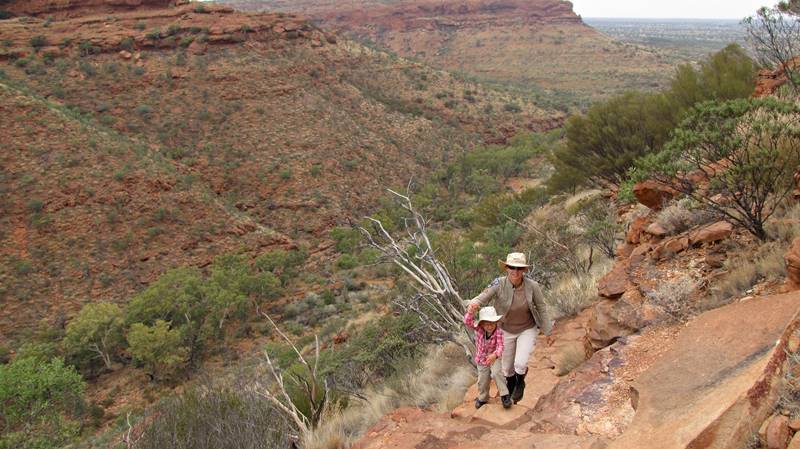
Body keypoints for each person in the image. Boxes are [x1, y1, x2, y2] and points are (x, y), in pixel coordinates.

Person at [467, 252, 553, 404]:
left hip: (527, 328)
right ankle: (511, 383)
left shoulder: (532, 286)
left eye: (519, 268)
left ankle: (520, 382)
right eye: (512, 267)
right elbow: (482, 296)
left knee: (520, 363)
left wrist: (548, 331)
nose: (515, 271)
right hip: (504, 329)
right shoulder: (498, 283)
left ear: (524, 270)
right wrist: (474, 304)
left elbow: (541, 307)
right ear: (506, 268)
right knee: (506, 368)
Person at [464, 305, 512, 409]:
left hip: (494, 357)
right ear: (482, 324)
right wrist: (470, 312)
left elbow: (501, 346)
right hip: (481, 359)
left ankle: (505, 395)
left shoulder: (499, 331)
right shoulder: (479, 329)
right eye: (486, 324)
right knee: (483, 380)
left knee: (496, 372)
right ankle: (483, 398)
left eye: (492, 323)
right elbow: (467, 321)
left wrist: (495, 355)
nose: (489, 327)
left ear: (496, 322)